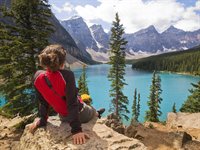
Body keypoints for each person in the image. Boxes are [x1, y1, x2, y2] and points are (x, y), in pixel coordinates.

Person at [29, 44, 105, 145]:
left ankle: (95, 112)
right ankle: (97, 114)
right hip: (81, 114)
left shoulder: (37, 76)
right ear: (62, 63)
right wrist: (76, 130)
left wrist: (42, 120)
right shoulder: (67, 75)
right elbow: (72, 104)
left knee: (80, 100)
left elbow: (43, 102)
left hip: (63, 117)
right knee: (90, 109)